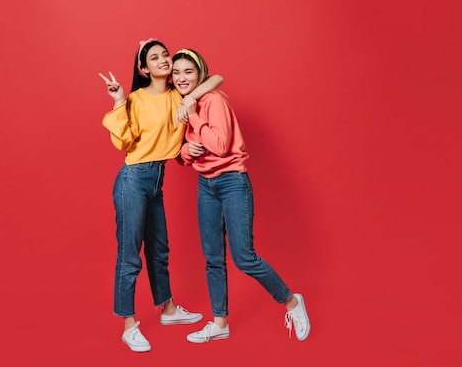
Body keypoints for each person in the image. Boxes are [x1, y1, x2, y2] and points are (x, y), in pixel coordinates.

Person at [171, 48, 311, 343]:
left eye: (188, 72)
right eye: (177, 72)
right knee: (212, 258)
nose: (182, 78)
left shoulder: (213, 101)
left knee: (244, 257)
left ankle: (292, 302)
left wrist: (195, 118)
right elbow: (183, 152)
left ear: (200, 74)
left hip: (232, 182)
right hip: (205, 185)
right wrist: (186, 151)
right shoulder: (184, 105)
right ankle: (220, 323)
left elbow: (221, 146)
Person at [99, 39, 224, 352]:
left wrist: (189, 98)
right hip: (134, 179)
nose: (163, 60)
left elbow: (216, 78)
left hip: (157, 180)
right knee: (130, 255)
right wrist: (118, 101)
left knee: (159, 249)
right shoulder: (136, 99)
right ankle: (129, 325)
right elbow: (123, 143)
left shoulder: (178, 94)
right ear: (143, 68)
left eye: (165, 54)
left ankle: (167, 310)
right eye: (154, 57)